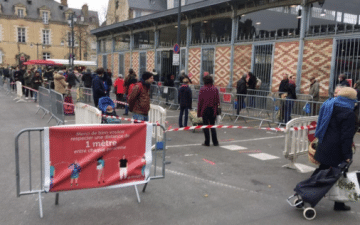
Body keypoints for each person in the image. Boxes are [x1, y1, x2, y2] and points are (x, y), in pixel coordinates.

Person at [314, 87, 357, 211]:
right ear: (351, 98)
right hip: (336, 150)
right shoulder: (348, 113)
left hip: (325, 145)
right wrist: (347, 155)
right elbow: (346, 136)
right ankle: (306, 196)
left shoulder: (330, 105)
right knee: (339, 176)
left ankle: (302, 195)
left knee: (321, 173)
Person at [197, 75, 219, 147]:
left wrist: (199, 113)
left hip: (205, 109)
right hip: (213, 110)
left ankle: (207, 141)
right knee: (212, 126)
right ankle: (215, 142)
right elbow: (217, 101)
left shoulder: (202, 89)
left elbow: (200, 102)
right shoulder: (215, 89)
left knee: (205, 126)